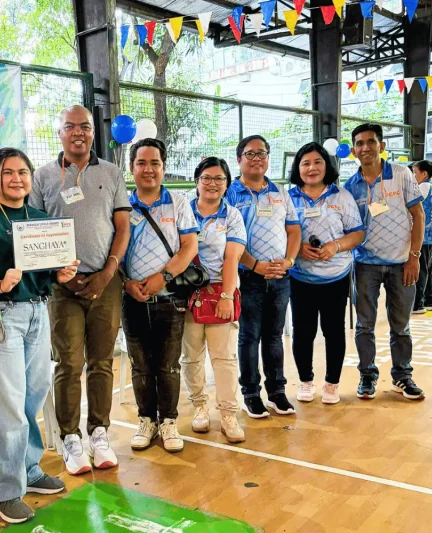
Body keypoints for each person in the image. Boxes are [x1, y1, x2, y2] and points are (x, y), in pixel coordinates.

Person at [0, 148, 79, 523]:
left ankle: (29, 469)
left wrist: (60, 275)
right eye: (7, 172)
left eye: (23, 172)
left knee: (34, 394)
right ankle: (5, 491)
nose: (16, 179)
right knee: (7, 404)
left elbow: (44, 274)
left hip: (37, 311)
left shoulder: (40, 218)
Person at [29, 104, 130, 475]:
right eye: (70, 126)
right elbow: (34, 232)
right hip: (62, 288)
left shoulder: (113, 172)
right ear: (59, 133)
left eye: (84, 126)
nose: (78, 132)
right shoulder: (42, 177)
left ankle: (99, 433)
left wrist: (107, 272)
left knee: (102, 361)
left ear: (92, 132)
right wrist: (61, 274)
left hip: (106, 282)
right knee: (69, 363)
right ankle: (70, 438)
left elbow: (122, 228)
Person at [121, 139, 199, 452]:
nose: (148, 169)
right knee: (140, 365)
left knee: (168, 365)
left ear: (163, 167)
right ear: (132, 168)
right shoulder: (122, 206)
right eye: (142, 163)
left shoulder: (178, 202)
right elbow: (113, 252)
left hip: (171, 298)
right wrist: (127, 283)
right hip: (132, 298)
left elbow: (189, 246)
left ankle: (168, 421)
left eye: (155, 163)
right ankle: (147, 420)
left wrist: (163, 276)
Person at [344, 124, 426, 401]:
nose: (365, 147)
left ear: (381, 145)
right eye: (359, 143)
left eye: (370, 142)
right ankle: (367, 376)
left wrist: (414, 257)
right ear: (353, 149)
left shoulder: (401, 174)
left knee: (400, 326)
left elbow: (418, 215)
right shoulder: (350, 186)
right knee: (364, 325)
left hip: (402, 263)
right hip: (365, 265)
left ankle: (402, 377)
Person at [224, 135, 301, 419]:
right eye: (250, 154)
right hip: (247, 277)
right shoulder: (231, 193)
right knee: (249, 336)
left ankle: (277, 393)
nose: (256, 158)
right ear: (239, 159)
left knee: (274, 337)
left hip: (280, 277)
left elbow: (294, 231)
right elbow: (228, 238)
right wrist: (254, 264)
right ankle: (251, 394)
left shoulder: (280, 192)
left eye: (262, 153)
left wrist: (289, 261)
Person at [287, 143, 365, 404]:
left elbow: (357, 233)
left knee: (334, 330)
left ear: (326, 165)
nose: (312, 168)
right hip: (300, 278)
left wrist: (335, 246)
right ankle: (306, 381)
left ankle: (332, 383)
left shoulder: (341, 196)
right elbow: (282, 234)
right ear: (298, 168)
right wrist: (298, 250)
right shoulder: (288, 198)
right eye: (305, 163)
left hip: (336, 277)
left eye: (317, 162)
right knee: (303, 331)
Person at [181, 157, 247, 442]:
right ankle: (199, 408)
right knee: (191, 356)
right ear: (197, 182)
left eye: (219, 179)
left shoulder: (232, 216)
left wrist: (226, 296)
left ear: (227, 184)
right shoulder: (183, 211)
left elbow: (232, 257)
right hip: (186, 294)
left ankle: (229, 414)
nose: (212, 183)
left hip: (221, 292)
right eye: (207, 178)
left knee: (225, 358)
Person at [412, 160, 432, 314]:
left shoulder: (423, 187)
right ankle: (430, 299)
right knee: (427, 268)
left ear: (424, 174)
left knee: (421, 270)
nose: (412, 176)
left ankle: (418, 304)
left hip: (422, 235)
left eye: (414, 172)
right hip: (429, 235)